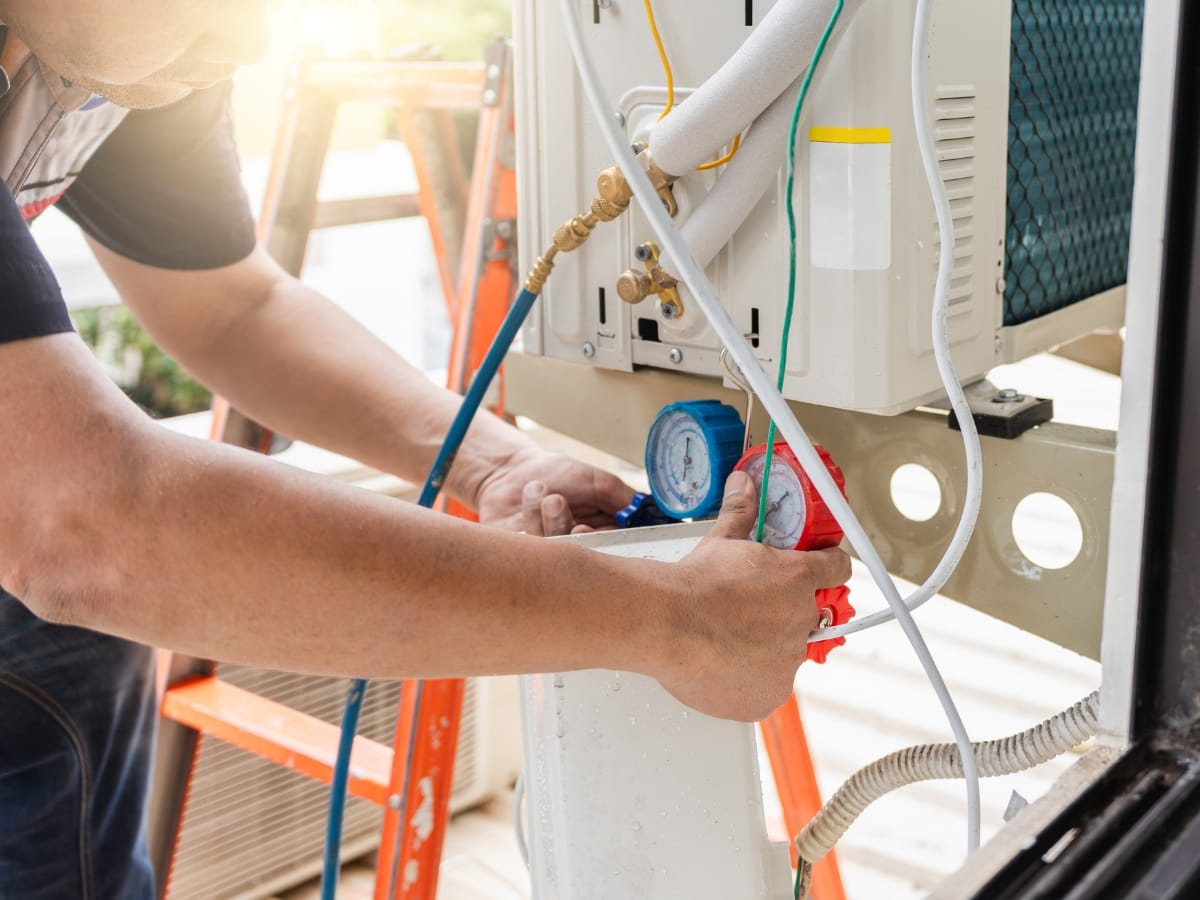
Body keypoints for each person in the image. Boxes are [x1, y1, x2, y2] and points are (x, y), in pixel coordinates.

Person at [0, 2, 851, 897]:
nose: (246, 43)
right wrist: (671, 620)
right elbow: (80, 520)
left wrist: (494, 463)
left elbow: (225, 305)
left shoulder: (127, 42)